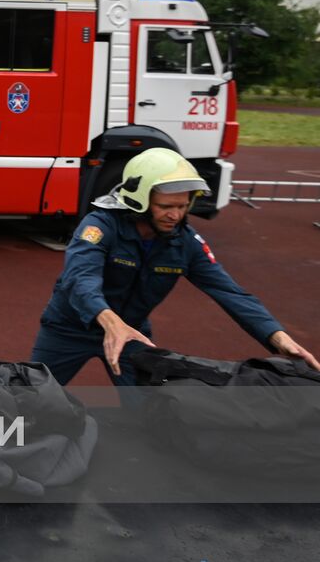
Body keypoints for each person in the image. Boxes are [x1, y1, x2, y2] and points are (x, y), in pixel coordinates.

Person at [31, 147, 318, 385]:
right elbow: (80, 280)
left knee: (150, 413)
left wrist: (278, 337)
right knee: (29, 400)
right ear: (140, 200)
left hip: (133, 334)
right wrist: (111, 323)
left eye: (182, 206)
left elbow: (230, 293)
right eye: (166, 206)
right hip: (68, 330)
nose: (175, 215)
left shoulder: (185, 243)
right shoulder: (99, 226)